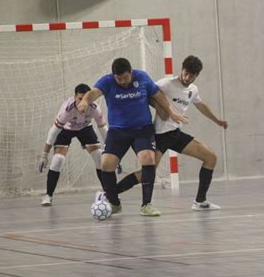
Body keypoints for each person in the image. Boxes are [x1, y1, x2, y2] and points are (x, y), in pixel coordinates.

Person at [77, 58, 188, 216]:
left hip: (142, 129)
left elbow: (158, 95)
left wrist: (171, 112)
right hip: (118, 131)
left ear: (131, 72)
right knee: (106, 163)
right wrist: (85, 101)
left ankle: (146, 204)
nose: (122, 81)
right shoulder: (107, 81)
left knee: (148, 158)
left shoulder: (142, 77)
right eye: (118, 78)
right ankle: (114, 203)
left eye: (125, 77)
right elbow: (93, 92)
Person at [116, 55, 227, 211]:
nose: (187, 78)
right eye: (186, 73)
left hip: (175, 134)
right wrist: (160, 109)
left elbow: (200, 105)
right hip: (160, 135)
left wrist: (217, 121)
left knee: (211, 158)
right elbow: (145, 95)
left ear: (197, 76)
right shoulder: (166, 84)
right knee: (147, 173)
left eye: (192, 76)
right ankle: (110, 193)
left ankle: (200, 201)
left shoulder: (193, 90)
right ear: (181, 69)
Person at [39, 84, 107, 206]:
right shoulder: (67, 109)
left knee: (99, 157)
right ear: (74, 97)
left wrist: (111, 151)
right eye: (80, 99)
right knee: (58, 160)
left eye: (86, 99)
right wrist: (44, 155)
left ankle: (109, 193)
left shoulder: (94, 107)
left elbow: (102, 128)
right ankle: (48, 195)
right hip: (66, 129)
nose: (83, 103)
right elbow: (53, 132)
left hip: (85, 128)